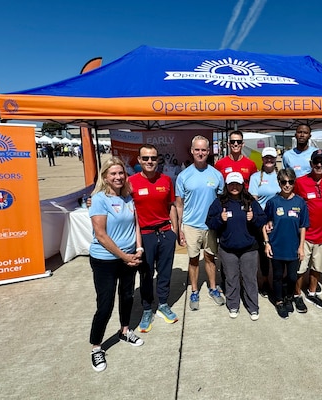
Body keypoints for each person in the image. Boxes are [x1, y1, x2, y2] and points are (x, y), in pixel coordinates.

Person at [88, 157, 144, 373]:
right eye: (113, 174)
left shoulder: (128, 198)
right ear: (105, 177)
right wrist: (124, 256)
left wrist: (137, 250)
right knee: (105, 304)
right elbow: (100, 235)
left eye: (121, 173)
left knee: (128, 296)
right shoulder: (99, 199)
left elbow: (135, 225)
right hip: (106, 260)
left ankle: (125, 330)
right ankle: (96, 347)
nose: (118, 177)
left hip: (129, 258)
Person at [130, 144, 179, 333]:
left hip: (166, 232)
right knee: (146, 274)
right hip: (146, 235)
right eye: (146, 158)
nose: (150, 161)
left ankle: (163, 304)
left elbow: (171, 206)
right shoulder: (131, 182)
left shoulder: (166, 180)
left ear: (158, 159)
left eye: (153, 158)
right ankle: (147, 308)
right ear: (140, 160)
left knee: (165, 272)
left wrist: (175, 230)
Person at [206, 172, 267, 320]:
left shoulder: (250, 201)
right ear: (227, 185)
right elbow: (210, 222)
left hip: (249, 248)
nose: (234, 187)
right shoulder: (219, 202)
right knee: (231, 278)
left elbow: (263, 219)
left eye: (237, 184)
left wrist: (253, 219)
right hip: (228, 249)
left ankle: (253, 307)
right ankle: (233, 305)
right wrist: (220, 219)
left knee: (249, 278)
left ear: (242, 185)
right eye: (231, 184)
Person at [176, 135, 225, 311]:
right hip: (191, 226)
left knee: (211, 258)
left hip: (210, 226)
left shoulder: (217, 175)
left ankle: (213, 288)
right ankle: (194, 290)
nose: (200, 153)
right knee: (193, 260)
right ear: (191, 151)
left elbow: (221, 200)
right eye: (197, 149)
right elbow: (179, 204)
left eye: (203, 149)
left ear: (209, 151)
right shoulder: (183, 176)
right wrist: (179, 228)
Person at [293, 149, 322, 312]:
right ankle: (297, 295)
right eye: (316, 162)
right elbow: (294, 203)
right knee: (300, 268)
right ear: (311, 164)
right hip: (304, 234)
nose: (319, 165)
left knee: (317, 267)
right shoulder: (300, 182)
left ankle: (312, 294)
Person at [263, 168, 309, 319]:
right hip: (276, 246)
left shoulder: (300, 202)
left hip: (293, 247)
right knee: (276, 276)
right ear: (279, 183)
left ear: (294, 182)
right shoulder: (272, 203)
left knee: (291, 277)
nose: (287, 185)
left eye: (290, 182)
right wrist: (267, 243)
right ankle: (279, 300)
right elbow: (264, 223)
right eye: (284, 182)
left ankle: (289, 297)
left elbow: (303, 226)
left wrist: (301, 247)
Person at [249, 147, 280, 297]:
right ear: (262, 159)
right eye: (266, 158)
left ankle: (278, 281)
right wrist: (263, 221)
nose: (269, 160)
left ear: (275, 160)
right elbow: (253, 201)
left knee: (277, 252)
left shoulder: (281, 176)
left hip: (278, 221)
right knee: (263, 254)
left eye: (272, 158)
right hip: (261, 221)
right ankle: (265, 281)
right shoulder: (256, 177)